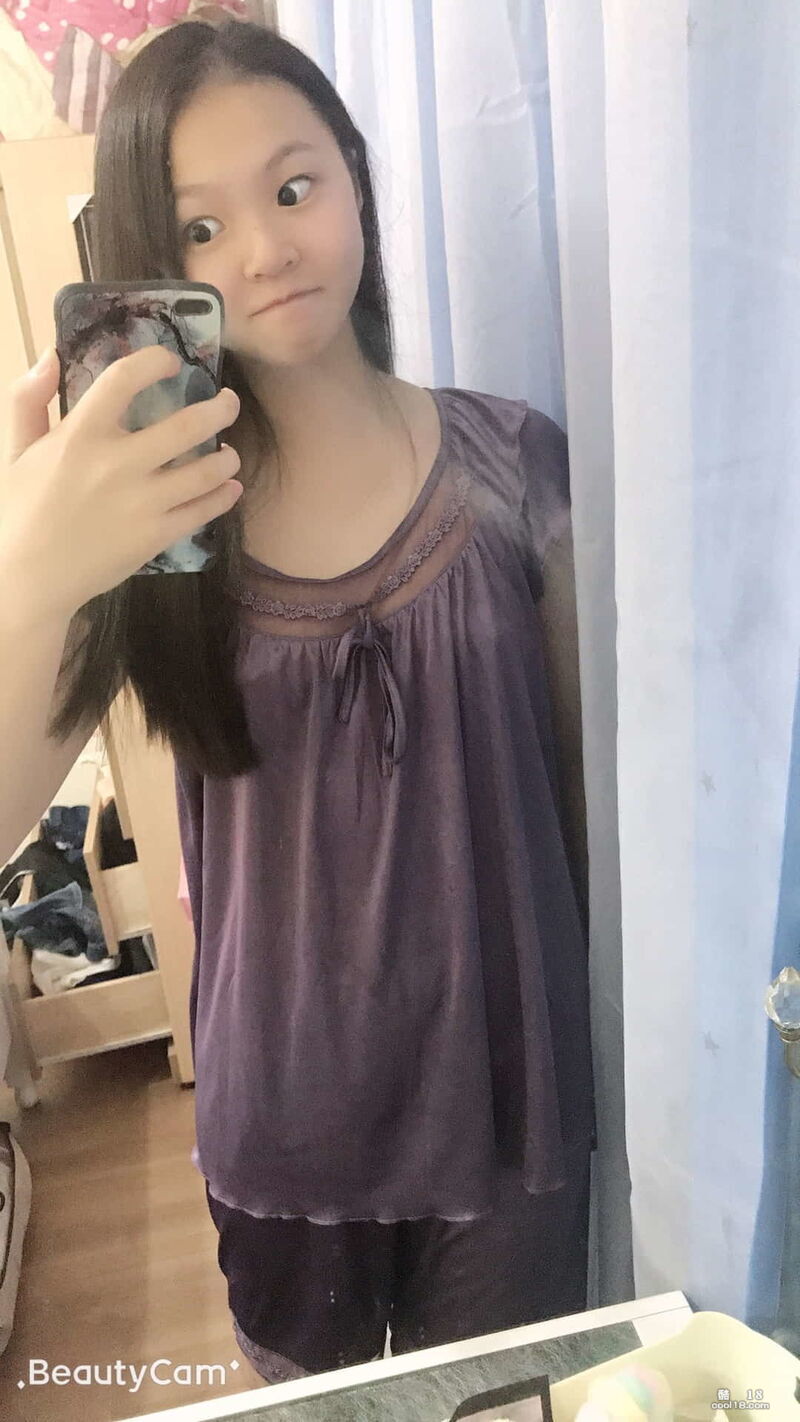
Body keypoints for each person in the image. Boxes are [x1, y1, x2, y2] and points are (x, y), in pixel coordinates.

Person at [0, 18, 596, 1384]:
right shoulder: (151, 532)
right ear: (150, 267)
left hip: (512, 1101)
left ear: (357, 183)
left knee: (494, 1405)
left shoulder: (515, 461)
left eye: (293, 186)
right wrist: (29, 562)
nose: (264, 250)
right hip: (288, 1123)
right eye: (200, 229)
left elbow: (576, 794)